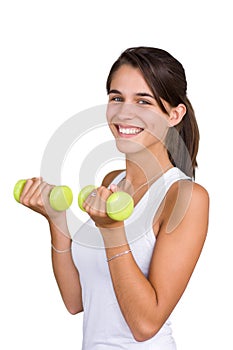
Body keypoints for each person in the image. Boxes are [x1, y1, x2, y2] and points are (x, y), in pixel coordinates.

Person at [19, 47, 209, 349]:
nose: (123, 113)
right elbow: (76, 300)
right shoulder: (112, 183)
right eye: (116, 97)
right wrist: (57, 220)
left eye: (143, 101)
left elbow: (146, 325)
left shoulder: (184, 197)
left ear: (174, 114)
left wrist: (112, 230)